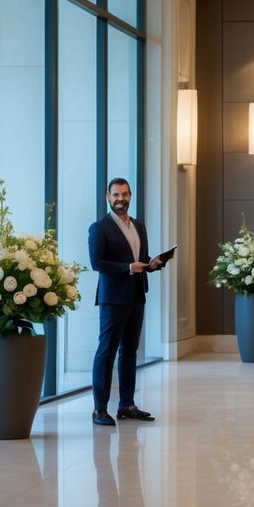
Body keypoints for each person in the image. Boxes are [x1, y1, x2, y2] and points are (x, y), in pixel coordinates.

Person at [89, 178, 162, 426]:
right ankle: (99, 409)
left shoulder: (139, 226)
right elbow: (97, 263)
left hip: (137, 296)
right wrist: (129, 267)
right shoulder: (99, 228)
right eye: (116, 195)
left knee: (130, 352)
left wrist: (151, 264)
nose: (121, 199)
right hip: (113, 299)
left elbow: (140, 258)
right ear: (108, 198)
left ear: (130, 196)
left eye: (125, 194)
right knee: (106, 352)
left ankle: (127, 405)